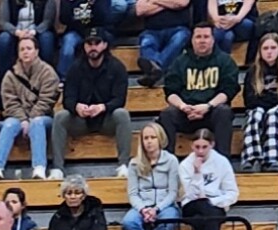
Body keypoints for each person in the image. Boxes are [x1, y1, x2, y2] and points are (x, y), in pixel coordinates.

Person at [52, 28, 133, 177]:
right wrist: (76, 107)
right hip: (81, 120)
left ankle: (124, 165)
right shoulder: (75, 68)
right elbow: (67, 99)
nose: (93, 47)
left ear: (105, 45)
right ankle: (57, 168)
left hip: (106, 119)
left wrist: (103, 107)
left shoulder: (117, 67)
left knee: (122, 114)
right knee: (60, 117)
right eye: (89, 43)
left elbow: (119, 100)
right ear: (84, 46)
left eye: (97, 43)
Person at [159, 24, 241, 158]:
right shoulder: (180, 62)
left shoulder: (225, 61)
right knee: (167, 114)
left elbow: (228, 91)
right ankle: (167, 162)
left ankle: (222, 161)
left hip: (212, 112)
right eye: (198, 37)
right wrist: (183, 106)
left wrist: (208, 106)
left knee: (224, 111)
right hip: (186, 113)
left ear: (213, 39)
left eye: (206, 37)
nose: (202, 40)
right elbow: (170, 91)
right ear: (192, 40)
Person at [122, 121, 181, 230]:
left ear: (160, 139)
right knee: (129, 222)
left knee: (168, 220)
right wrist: (143, 209)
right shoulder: (134, 163)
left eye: (152, 137)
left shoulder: (171, 160)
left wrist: (157, 209)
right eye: (146, 138)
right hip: (142, 204)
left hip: (165, 205)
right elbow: (133, 193)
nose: (149, 141)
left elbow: (173, 192)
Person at [178, 127, 238, 230]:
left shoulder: (222, 162)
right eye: (197, 147)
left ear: (212, 145)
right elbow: (191, 194)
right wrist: (197, 172)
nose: (200, 151)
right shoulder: (185, 165)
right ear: (192, 146)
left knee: (201, 219)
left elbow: (232, 193)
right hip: (191, 206)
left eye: (204, 147)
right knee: (201, 204)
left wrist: (213, 201)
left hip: (214, 206)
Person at [239, 32, 278, 173]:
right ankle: (251, 159)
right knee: (256, 114)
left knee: (273, 114)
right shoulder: (253, 70)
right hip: (260, 109)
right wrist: (274, 100)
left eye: (273, 48)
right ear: (260, 51)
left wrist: (263, 99)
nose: (269, 52)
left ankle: (273, 160)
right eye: (265, 48)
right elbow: (249, 100)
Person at [134, 0, 193, 87]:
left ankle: (156, 68)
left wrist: (153, 1)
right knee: (146, 42)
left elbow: (181, 3)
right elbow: (140, 10)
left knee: (180, 37)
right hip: (152, 30)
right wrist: (170, 4)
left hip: (178, 29)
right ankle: (156, 70)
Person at [0, 0, 58, 71]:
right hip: (15, 32)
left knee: (47, 38)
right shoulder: (8, 1)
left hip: (38, 32)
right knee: (4, 39)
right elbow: (3, 22)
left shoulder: (47, 1)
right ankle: (4, 74)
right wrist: (17, 32)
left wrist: (34, 32)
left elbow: (47, 21)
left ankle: (46, 73)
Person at [54, 0, 114, 78]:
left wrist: (94, 4)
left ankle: (104, 75)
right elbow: (64, 19)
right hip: (76, 31)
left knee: (102, 44)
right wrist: (67, 4)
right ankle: (64, 77)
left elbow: (103, 18)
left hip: (96, 31)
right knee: (68, 46)